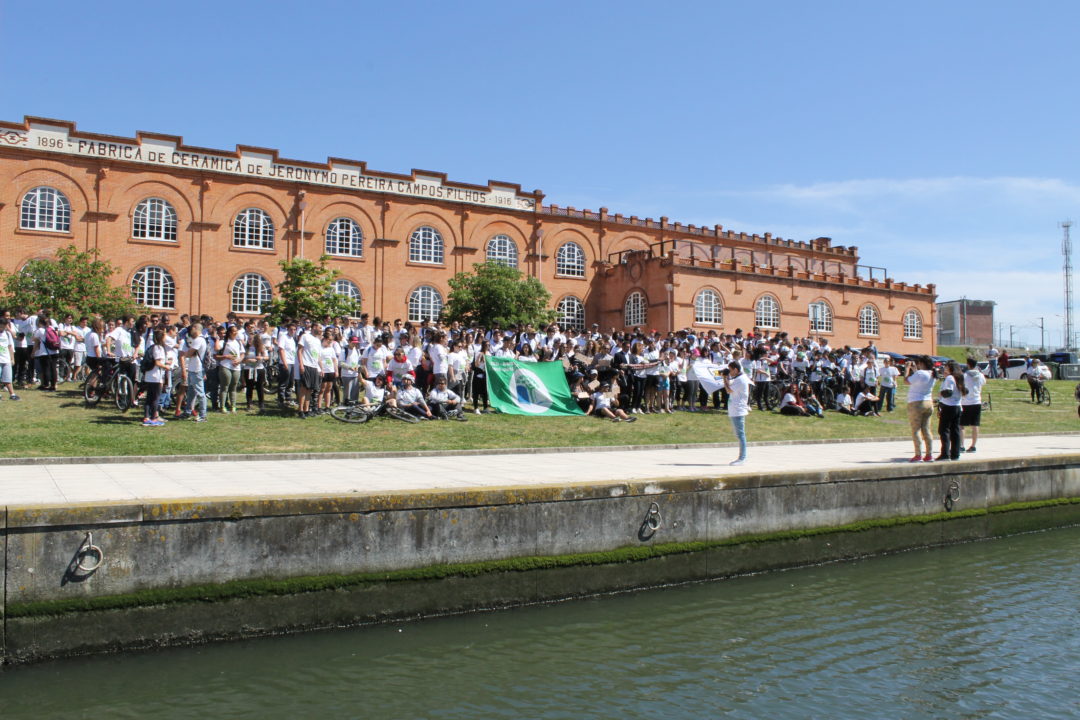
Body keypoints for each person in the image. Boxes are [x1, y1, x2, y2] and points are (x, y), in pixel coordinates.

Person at [904, 355, 937, 462]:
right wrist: (915, 370)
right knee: (926, 429)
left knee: (916, 429)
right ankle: (929, 454)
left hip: (916, 402)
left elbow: (906, 381)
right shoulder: (932, 374)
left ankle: (918, 454)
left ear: (922, 364)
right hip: (928, 402)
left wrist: (907, 369)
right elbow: (920, 379)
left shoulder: (920, 373)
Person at [722, 360, 751, 466]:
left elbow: (728, 390)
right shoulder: (738, 378)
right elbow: (730, 386)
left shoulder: (741, 379)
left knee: (740, 434)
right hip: (735, 409)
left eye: (730, 370)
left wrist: (725, 378)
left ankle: (742, 458)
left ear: (736, 369)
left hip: (738, 410)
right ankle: (741, 457)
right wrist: (726, 378)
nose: (729, 372)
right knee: (739, 434)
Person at [937, 361, 965, 460]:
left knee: (943, 430)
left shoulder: (950, 378)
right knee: (955, 431)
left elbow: (948, 392)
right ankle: (955, 454)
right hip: (958, 406)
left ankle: (945, 453)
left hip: (949, 406)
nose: (944, 369)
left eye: (946, 367)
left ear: (950, 368)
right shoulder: (959, 377)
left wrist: (940, 394)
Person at [140, 328, 167, 427]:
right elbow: (157, 362)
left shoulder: (153, 347)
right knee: (155, 398)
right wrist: (166, 366)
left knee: (149, 397)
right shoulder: (159, 348)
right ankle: (153, 418)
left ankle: (146, 417)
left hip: (150, 375)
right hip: (156, 376)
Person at [960, 357, 985, 452]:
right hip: (977, 401)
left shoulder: (965, 376)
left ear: (968, 364)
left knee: (961, 424)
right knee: (975, 425)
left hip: (965, 402)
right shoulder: (981, 375)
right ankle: (973, 445)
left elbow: (961, 386)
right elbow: (983, 383)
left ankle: (962, 445)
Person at [0, 318, 20, 400]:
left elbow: (10, 347)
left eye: (4, 326)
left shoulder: (7, 334)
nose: (3, 328)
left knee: (8, 378)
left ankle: (12, 394)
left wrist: (12, 359)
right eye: (1, 326)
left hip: (6, 359)